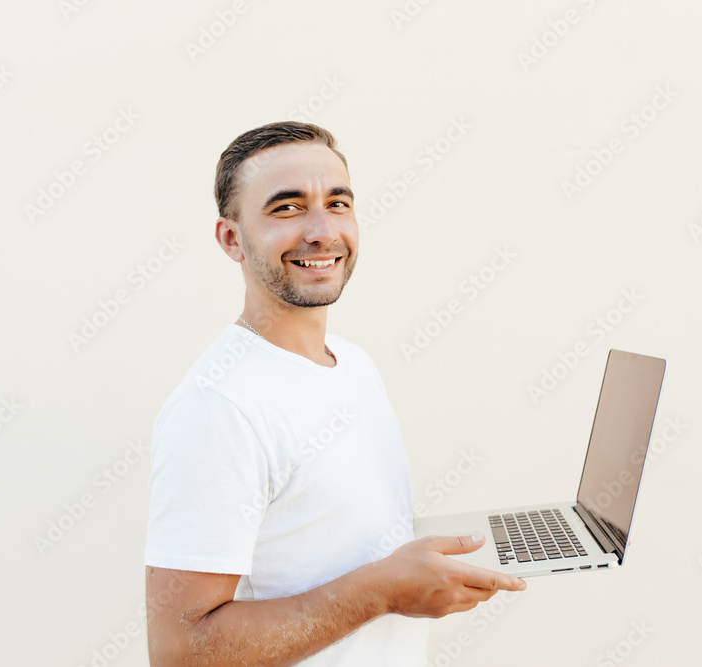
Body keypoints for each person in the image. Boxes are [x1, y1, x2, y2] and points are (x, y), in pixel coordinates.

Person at [143, 121, 526, 667]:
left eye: (338, 204)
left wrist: (426, 566)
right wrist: (382, 592)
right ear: (232, 239)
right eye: (287, 208)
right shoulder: (219, 407)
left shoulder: (353, 365)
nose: (322, 231)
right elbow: (181, 653)